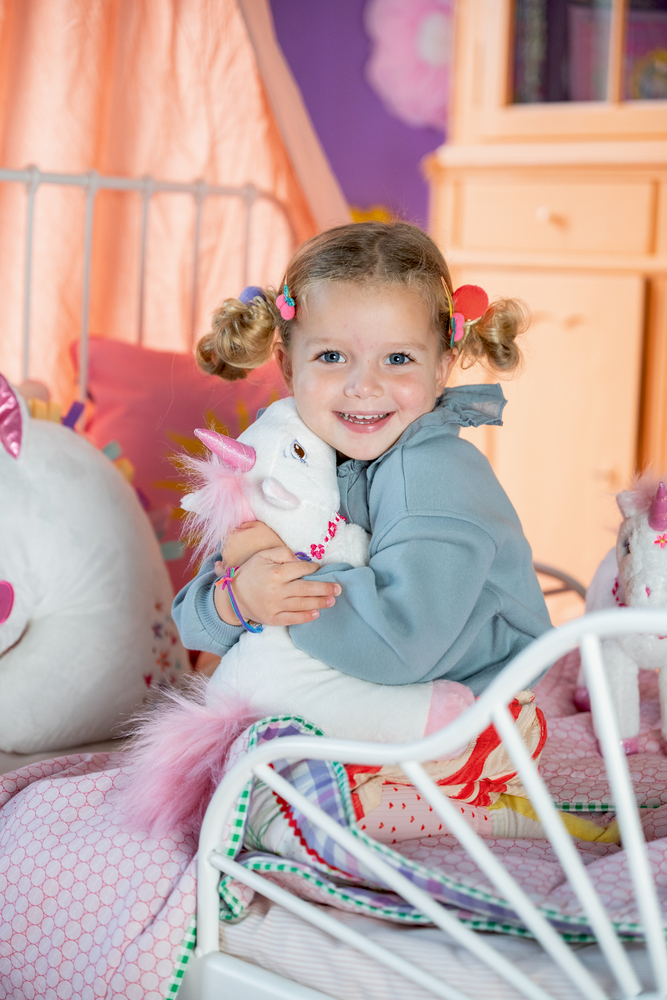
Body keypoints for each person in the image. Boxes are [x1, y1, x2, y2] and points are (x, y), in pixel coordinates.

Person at [173, 221, 551, 695]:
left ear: (441, 368)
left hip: (472, 714)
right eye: (332, 357)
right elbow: (193, 622)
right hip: (372, 695)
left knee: (251, 718)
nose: (364, 386)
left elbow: (401, 644)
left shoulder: (435, 472)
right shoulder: (294, 450)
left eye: (397, 359)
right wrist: (239, 598)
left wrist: (278, 577)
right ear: (289, 366)